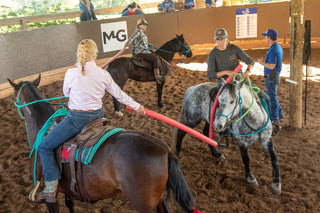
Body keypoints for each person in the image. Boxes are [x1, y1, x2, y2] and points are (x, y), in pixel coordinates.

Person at [33, 39, 145, 203]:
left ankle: (50, 189)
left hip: (76, 120)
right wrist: (137, 106)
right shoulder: (103, 74)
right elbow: (119, 95)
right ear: (95, 54)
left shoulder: (71, 73)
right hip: (98, 118)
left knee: (44, 146)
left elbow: (66, 93)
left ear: (79, 54)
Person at [102, 19, 163, 83]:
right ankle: (157, 76)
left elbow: (141, 42)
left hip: (143, 50)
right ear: (139, 25)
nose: (145, 26)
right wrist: (127, 43)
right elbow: (132, 37)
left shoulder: (142, 32)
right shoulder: (138, 32)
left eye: (146, 25)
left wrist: (148, 45)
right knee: (155, 59)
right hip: (141, 52)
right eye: (144, 25)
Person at [258, 29, 284, 136]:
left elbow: (272, 66)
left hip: (271, 77)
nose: (265, 38)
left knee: (271, 97)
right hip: (274, 76)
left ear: (269, 38)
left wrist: (262, 63)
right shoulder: (277, 47)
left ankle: (275, 119)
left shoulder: (273, 49)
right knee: (273, 95)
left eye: (266, 36)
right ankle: (280, 113)